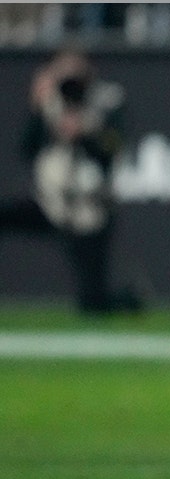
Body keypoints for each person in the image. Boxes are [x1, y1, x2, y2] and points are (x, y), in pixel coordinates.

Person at [0, 47, 143, 315]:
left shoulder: (107, 100)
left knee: (92, 302)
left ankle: (127, 299)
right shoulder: (49, 103)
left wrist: (86, 132)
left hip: (89, 208)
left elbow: (113, 149)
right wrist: (37, 108)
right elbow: (26, 149)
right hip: (50, 200)